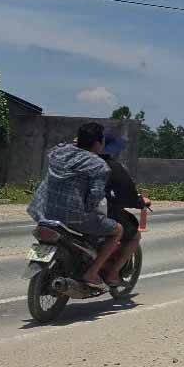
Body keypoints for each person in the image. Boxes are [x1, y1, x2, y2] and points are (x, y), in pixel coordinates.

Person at [27, 122, 123, 289]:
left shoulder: (58, 152)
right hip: (74, 217)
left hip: (43, 211)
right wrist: (92, 210)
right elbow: (95, 196)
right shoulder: (99, 165)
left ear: (78, 139)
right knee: (118, 231)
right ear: (98, 143)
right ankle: (92, 273)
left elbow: (59, 147)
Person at [99, 135, 149, 287]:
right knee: (134, 234)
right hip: (98, 212)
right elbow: (128, 194)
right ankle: (113, 273)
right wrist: (140, 202)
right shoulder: (111, 166)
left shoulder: (74, 162)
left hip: (63, 211)